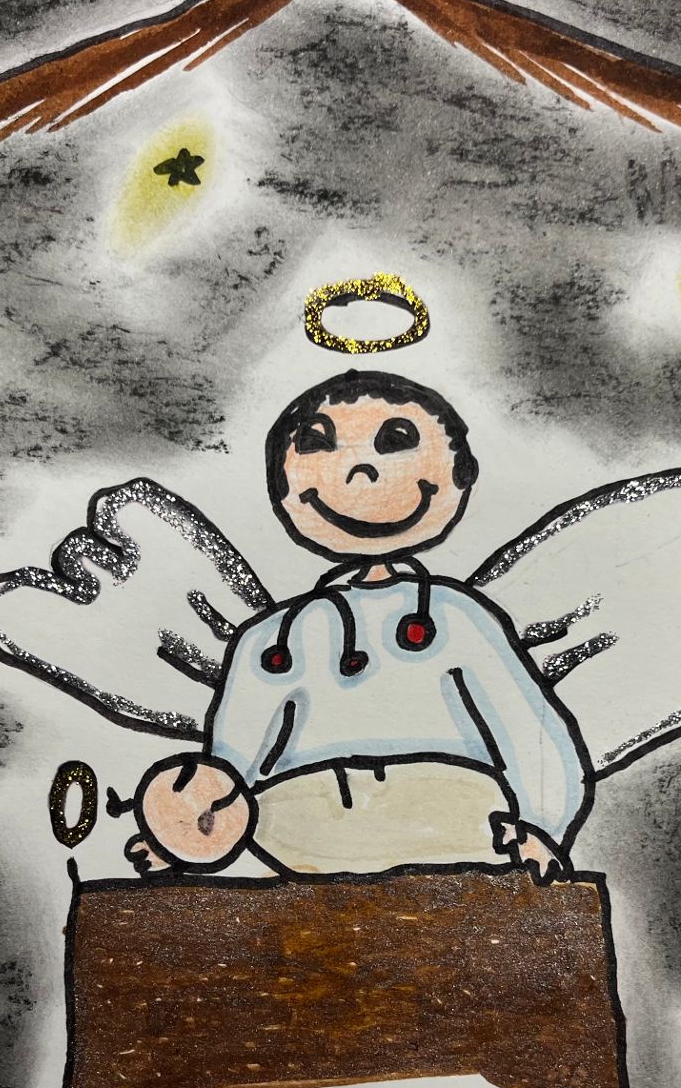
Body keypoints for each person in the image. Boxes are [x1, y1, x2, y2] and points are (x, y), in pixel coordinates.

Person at [124, 368, 589, 880]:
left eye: (396, 440)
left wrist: (542, 826)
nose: (359, 470)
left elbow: (528, 726)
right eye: (317, 443)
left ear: (459, 473)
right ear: (282, 485)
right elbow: (229, 766)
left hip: (460, 835)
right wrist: (181, 838)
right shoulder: (270, 637)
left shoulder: (458, 617)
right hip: (302, 848)